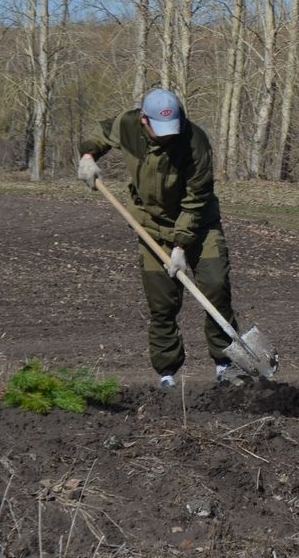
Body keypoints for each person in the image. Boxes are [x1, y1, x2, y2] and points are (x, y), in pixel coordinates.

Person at [77, 88, 247, 389]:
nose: (169, 136)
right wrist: (88, 155)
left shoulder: (194, 141)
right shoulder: (128, 125)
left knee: (215, 287)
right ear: (144, 120)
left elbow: (197, 198)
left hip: (200, 225)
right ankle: (167, 373)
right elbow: (101, 132)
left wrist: (181, 245)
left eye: (173, 128)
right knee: (162, 304)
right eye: (161, 130)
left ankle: (226, 364)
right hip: (152, 226)